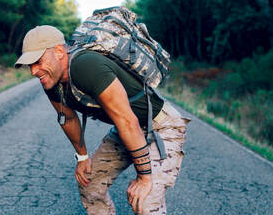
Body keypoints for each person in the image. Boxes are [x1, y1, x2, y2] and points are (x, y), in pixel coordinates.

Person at [15, 25, 190, 215]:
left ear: (58, 51)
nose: (33, 71)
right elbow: (68, 118)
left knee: (145, 202)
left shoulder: (85, 65)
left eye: (38, 62)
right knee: (90, 186)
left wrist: (144, 178)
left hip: (160, 126)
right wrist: (82, 157)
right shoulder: (51, 81)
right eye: (29, 65)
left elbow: (127, 121)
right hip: (127, 128)